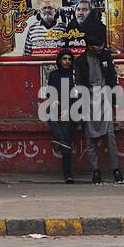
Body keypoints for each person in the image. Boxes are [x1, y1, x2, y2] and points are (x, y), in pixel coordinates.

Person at [74, 36, 124, 184]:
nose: (100, 48)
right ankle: (95, 171)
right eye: (97, 46)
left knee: (110, 136)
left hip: (105, 99)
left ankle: (116, 170)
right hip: (87, 100)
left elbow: (112, 77)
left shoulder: (106, 56)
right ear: (89, 46)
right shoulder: (81, 61)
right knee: (90, 139)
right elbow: (78, 83)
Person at [46, 49, 78, 183]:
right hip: (56, 107)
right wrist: (53, 100)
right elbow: (50, 91)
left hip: (72, 109)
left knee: (66, 130)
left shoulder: (74, 75)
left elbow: (77, 95)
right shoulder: (54, 75)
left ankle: (68, 174)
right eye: (64, 59)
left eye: (69, 59)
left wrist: (67, 109)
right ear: (59, 60)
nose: (67, 62)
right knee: (49, 114)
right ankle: (62, 142)